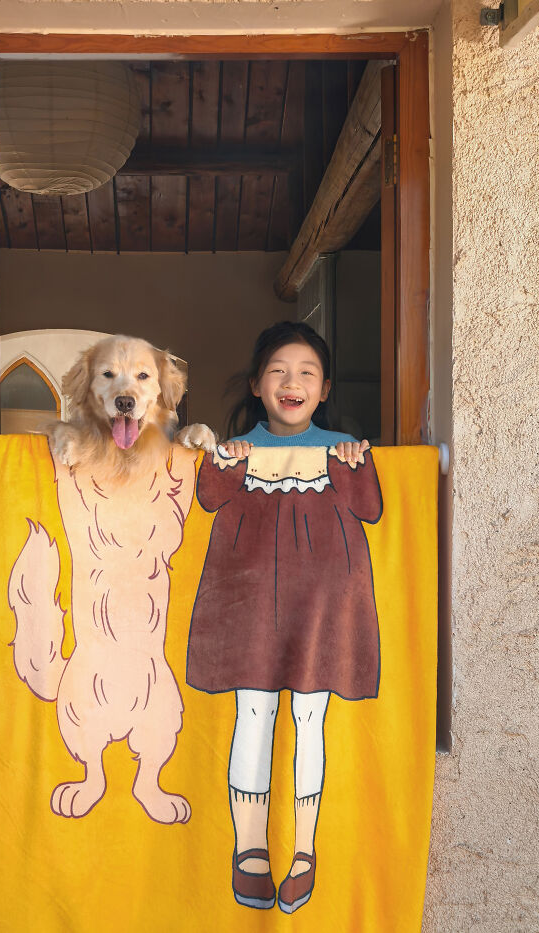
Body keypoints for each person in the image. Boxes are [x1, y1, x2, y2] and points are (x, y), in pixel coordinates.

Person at [185, 321, 383, 914]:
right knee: (254, 713)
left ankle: (303, 851)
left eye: (306, 373)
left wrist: (354, 460)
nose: (291, 382)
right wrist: (226, 459)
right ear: (255, 384)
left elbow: (370, 508)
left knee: (309, 718)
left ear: (324, 388)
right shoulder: (237, 449)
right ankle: (249, 849)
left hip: (322, 606)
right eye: (277, 370)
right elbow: (207, 498)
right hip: (248, 603)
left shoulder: (343, 446)